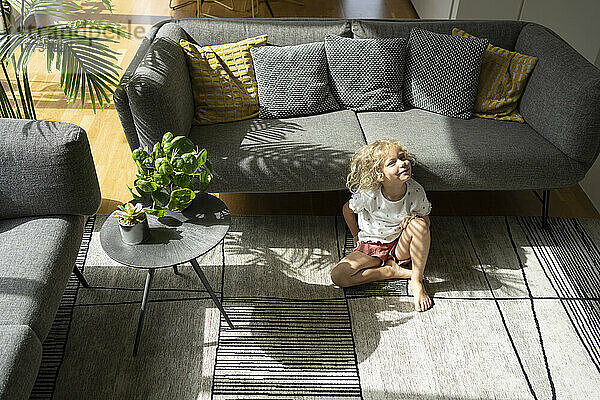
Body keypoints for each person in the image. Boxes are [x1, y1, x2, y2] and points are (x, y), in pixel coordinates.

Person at [330, 139, 433, 312]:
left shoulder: (415, 191)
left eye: (403, 158)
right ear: (379, 174)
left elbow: (426, 223)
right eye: (392, 163)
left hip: (401, 245)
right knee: (339, 276)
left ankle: (416, 280)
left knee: (420, 224)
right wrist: (356, 235)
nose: (403, 163)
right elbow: (347, 210)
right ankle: (390, 272)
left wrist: (414, 220)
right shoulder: (369, 194)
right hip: (372, 245)